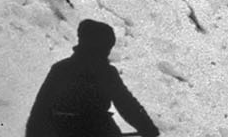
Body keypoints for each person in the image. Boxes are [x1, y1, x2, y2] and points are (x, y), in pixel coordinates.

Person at [26, 19, 161, 137]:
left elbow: (40, 110)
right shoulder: (105, 72)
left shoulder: (61, 69)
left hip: (61, 130)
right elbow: (126, 104)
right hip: (99, 130)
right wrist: (147, 128)